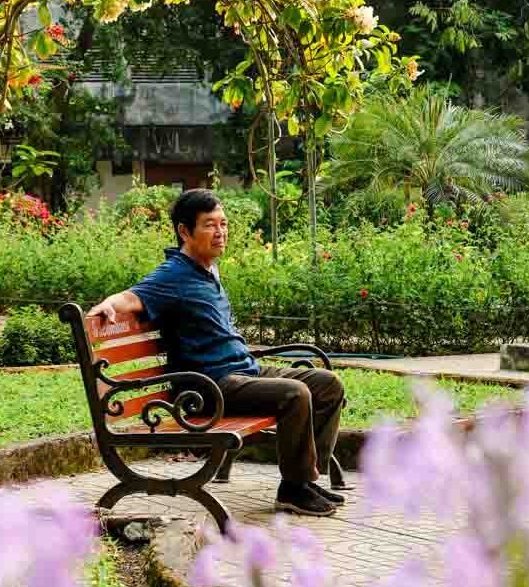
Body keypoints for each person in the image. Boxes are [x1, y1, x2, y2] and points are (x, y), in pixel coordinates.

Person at [86, 188, 345, 517]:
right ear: (184, 231)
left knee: (327, 384)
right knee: (295, 394)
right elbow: (133, 296)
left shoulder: (206, 271)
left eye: (223, 224)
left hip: (241, 372)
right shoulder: (174, 274)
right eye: (210, 225)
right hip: (209, 386)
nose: (220, 232)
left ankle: (305, 482)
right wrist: (108, 305)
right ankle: (294, 489)